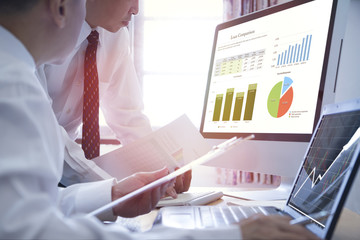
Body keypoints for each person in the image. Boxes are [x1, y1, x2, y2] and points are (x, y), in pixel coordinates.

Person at [0, 1, 319, 239]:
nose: (137, 10)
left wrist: (117, 193)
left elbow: (26, 208)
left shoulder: (15, 67)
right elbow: (32, 230)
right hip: (57, 168)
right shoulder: (13, 83)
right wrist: (230, 235)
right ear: (59, 7)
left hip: (53, 180)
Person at [37, 0, 191, 194]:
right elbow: (45, 130)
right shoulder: (38, 32)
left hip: (70, 171)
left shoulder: (117, 37)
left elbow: (128, 117)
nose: (136, 10)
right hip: (23, 163)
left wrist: (163, 170)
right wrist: (112, 190)